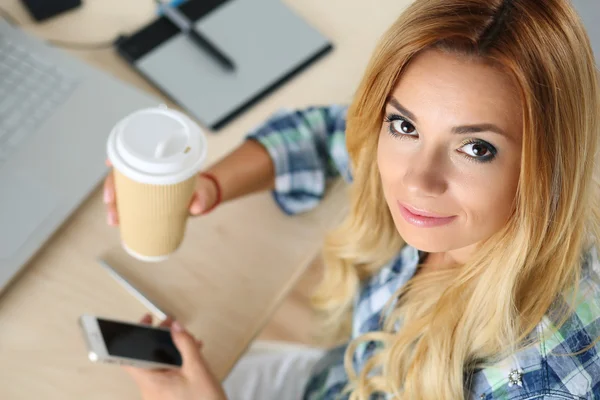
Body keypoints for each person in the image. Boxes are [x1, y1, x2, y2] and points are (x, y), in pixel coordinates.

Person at [103, 0, 600, 398]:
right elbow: (329, 134)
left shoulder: (544, 380)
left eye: (476, 148)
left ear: (548, 166)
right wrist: (206, 187)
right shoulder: (427, 182)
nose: (416, 180)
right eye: (405, 124)